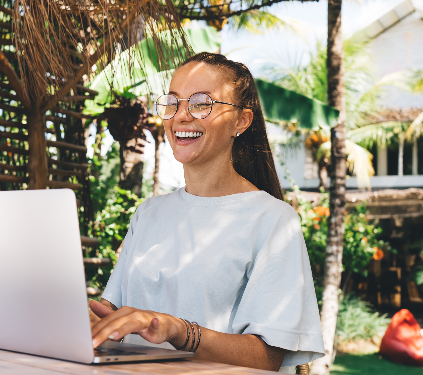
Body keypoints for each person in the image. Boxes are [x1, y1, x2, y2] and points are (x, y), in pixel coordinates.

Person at [89, 52, 324, 372]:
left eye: (201, 103)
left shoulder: (272, 220)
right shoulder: (149, 212)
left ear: (241, 120)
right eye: (172, 102)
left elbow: (269, 357)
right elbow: (111, 311)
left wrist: (180, 331)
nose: (181, 115)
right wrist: (84, 318)